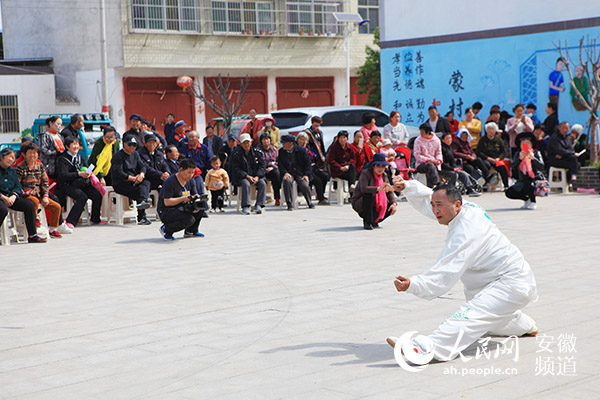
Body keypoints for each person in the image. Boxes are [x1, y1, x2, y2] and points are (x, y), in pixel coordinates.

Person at [387, 179, 538, 362]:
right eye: (433, 205)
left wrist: (414, 284)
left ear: (457, 205)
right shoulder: (468, 208)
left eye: (439, 205)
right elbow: (433, 199)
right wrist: (409, 187)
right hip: (492, 284)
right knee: (489, 316)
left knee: (471, 313)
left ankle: (427, 347)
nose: (435, 210)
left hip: (511, 282)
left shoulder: (465, 232)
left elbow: (446, 270)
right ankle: (524, 325)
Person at [15, 142, 72, 238]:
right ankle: (35, 221)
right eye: (30, 153)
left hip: (39, 194)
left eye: (34, 153)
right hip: (27, 194)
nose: (32, 155)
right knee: (34, 202)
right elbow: (17, 184)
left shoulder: (40, 166)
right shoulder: (20, 168)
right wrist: (24, 192)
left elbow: (45, 183)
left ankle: (53, 229)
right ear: (24, 154)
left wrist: (45, 196)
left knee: (56, 207)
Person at [0, 147, 47, 243]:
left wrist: (13, 196)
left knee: (29, 205)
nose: (11, 159)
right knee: (2, 210)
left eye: (13, 158)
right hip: (1, 197)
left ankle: (32, 235)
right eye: (9, 157)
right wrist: (3, 197)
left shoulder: (12, 171)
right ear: (2, 157)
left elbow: (17, 186)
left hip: (11, 197)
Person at [57, 137, 104, 228]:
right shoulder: (63, 159)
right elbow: (63, 176)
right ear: (67, 146)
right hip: (68, 185)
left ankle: (95, 218)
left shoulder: (79, 157)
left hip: (81, 183)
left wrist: (88, 173)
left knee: (97, 195)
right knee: (82, 197)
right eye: (73, 144)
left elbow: (85, 168)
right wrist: (78, 174)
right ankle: (70, 221)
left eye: (77, 144)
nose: (76, 147)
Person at [157, 158, 204, 240]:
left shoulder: (191, 181)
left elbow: (195, 194)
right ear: (181, 170)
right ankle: (167, 230)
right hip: (167, 210)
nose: (191, 175)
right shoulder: (170, 182)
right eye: (189, 172)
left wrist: (196, 202)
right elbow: (167, 202)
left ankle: (191, 231)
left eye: (192, 172)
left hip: (182, 206)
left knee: (200, 207)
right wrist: (183, 199)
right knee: (189, 220)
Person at [110, 136, 152, 225]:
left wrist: (141, 175)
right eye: (130, 145)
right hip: (122, 183)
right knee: (140, 191)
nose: (132, 147)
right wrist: (132, 178)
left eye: (134, 145)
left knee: (146, 183)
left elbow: (142, 166)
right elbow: (118, 172)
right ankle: (142, 215)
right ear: (124, 144)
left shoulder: (135, 154)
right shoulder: (118, 156)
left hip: (134, 181)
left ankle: (142, 206)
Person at [351, 153, 396, 230]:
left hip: (377, 204)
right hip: (362, 203)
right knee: (370, 195)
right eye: (378, 165)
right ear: (373, 166)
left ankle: (374, 221)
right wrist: (378, 189)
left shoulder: (384, 175)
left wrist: (394, 203)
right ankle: (367, 222)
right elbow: (363, 188)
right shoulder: (365, 173)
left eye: (383, 166)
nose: (380, 168)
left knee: (391, 207)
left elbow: (389, 191)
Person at [505, 132, 545, 210]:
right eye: (522, 143)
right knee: (509, 192)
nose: (525, 145)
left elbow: (542, 166)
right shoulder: (518, 154)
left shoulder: (536, 153)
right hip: (522, 180)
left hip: (534, 179)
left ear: (531, 144)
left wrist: (533, 159)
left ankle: (533, 201)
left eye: (527, 143)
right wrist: (519, 159)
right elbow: (513, 166)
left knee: (529, 183)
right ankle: (526, 199)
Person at [231, 133, 266, 215]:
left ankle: (259, 205)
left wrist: (257, 176)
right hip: (243, 177)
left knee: (262, 183)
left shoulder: (257, 153)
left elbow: (262, 166)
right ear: (241, 144)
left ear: (251, 142)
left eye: (248, 142)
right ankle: (245, 206)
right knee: (245, 183)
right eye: (244, 143)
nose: (246, 145)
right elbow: (236, 169)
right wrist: (246, 176)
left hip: (256, 176)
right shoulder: (237, 154)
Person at [277, 134, 314, 211]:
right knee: (287, 181)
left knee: (304, 184)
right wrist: (284, 172)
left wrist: (306, 175)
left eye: (285, 143)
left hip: (300, 173)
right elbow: (280, 165)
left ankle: (309, 202)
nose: (283, 145)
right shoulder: (281, 152)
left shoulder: (301, 151)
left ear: (291, 143)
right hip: (289, 173)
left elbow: (308, 164)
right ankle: (289, 203)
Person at [440, 132, 480, 196]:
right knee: (454, 174)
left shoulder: (450, 148)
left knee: (463, 173)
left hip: (451, 168)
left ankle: (470, 189)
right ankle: (450, 191)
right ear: (443, 140)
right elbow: (442, 163)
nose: (449, 140)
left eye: (450, 138)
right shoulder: (441, 149)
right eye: (447, 138)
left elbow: (452, 161)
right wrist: (452, 169)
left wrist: (455, 167)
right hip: (443, 168)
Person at [296, 132, 329, 205]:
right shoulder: (296, 149)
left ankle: (321, 195)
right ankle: (320, 197)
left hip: (312, 167)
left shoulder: (309, 149)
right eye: (300, 139)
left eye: (304, 140)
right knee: (317, 180)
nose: (302, 141)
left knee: (324, 176)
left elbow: (314, 156)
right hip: (302, 171)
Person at [476, 122, 510, 189]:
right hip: (486, 159)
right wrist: (487, 158)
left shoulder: (499, 140)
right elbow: (478, 152)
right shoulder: (482, 140)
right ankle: (486, 183)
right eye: (489, 129)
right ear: (486, 130)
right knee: (485, 165)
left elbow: (503, 151)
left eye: (492, 129)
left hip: (496, 159)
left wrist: (498, 158)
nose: (491, 131)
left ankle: (506, 186)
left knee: (502, 167)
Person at [413, 123, 442, 188]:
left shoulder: (436, 140)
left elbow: (438, 152)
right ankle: (437, 183)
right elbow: (417, 155)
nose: (421, 133)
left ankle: (430, 186)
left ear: (428, 132)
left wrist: (439, 160)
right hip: (421, 164)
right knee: (430, 166)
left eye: (422, 131)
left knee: (433, 167)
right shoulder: (418, 140)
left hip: (434, 162)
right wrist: (427, 160)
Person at [257, 133, 281, 206]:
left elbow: (278, 161)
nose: (266, 141)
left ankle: (277, 198)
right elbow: (258, 162)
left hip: (272, 169)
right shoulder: (258, 150)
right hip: (262, 169)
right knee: (261, 180)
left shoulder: (274, 149)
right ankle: (261, 199)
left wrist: (272, 167)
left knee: (276, 174)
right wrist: (264, 168)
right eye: (264, 139)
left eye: (267, 139)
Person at [39, 116, 65, 180]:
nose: (59, 126)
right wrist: (56, 153)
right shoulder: (45, 135)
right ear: (51, 123)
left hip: (59, 165)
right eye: (58, 124)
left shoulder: (60, 136)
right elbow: (43, 150)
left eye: (61, 125)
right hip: (49, 166)